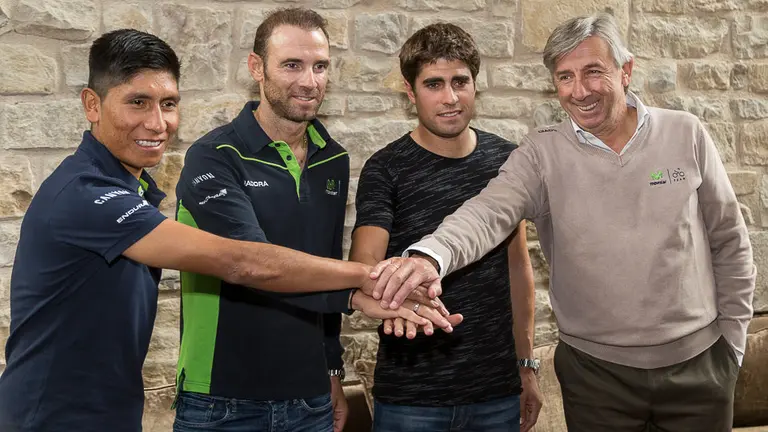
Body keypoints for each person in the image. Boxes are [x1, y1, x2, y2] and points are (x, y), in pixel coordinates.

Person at [0, 28, 448, 432]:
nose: (158, 123)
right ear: (92, 105)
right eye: (137, 102)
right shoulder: (86, 193)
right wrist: (369, 278)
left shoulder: (130, 187)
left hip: (111, 411)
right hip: (50, 416)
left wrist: (343, 327)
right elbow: (242, 261)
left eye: (169, 104)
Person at [372, 13, 755, 432]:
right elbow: (486, 212)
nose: (580, 91)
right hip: (596, 378)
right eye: (565, 77)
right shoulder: (540, 154)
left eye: (593, 72)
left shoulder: (686, 133)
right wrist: (431, 257)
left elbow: (730, 243)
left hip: (699, 368)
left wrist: (732, 348)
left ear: (625, 71)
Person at [171, 8, 460, 432]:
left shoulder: (333, 158)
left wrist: (332, 371)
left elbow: (324, 263)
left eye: (320, 66)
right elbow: (253, 265)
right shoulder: (214, 157)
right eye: (292, 65)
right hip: (222, 399)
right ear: (257, 68)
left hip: (309, 400)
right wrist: (363, 285)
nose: (309, 81)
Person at [350, 23, 542, 432]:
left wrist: (526, 365)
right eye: (434, 84)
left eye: (460, 82)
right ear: (410, 90)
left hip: (496, 391)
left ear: (476, 84)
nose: (450, 98)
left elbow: (518, 268)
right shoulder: (387, 168)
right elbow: (366, 262)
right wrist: (393, 291)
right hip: (411, 394)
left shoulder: (506, 160)